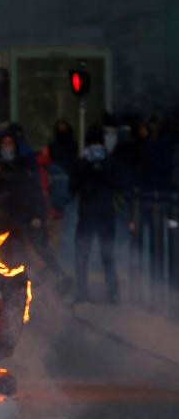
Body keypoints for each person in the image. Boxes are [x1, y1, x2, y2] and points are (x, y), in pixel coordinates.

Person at [0, 123, 72, 291]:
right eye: (4, 143)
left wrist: (37, 215)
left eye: (10, 143)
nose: (7, 147)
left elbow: (35, 191)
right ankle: (7, 286)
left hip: (26, 215)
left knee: (40, 247)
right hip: (4, 219)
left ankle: (59, 278)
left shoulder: (26, 165)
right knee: (6, 254)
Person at [70, 127, 119, 303]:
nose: (96, 147)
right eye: (93, 143)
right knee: (83, 255)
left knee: (107, 255)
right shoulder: (82, 162)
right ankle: (84, 292)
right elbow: (74, 186)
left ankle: (112, 292)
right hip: (90, 215)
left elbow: (116, 182)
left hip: (101, 214)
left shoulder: (109, 162)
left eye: (98, 143)